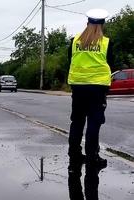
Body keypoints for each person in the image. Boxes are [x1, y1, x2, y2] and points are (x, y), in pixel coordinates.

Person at [67, 8, 114, 173]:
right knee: (94, 122)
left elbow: (70, 61)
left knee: (77, 121)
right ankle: (92, 157)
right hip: (97, 89)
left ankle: (74, 154)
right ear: (103, 25)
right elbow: (110, 64)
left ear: (87, 23)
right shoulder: (107, 43)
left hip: (78, 88)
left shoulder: (74, 41)